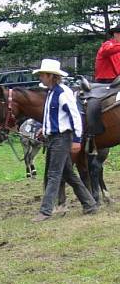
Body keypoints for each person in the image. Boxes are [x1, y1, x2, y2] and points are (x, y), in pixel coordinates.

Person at [32, 59, 98, 222]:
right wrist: (45, 129)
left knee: (53, 174)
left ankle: (45, 211)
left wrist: (76, 140)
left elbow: (74, 117)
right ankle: (89, 204)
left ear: (51, 76)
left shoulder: (63, 93)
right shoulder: (52, 92)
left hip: (61, 139)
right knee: (69, 174)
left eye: (42, 74)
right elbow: (52, 116)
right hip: (54, 138)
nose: (40, 77)